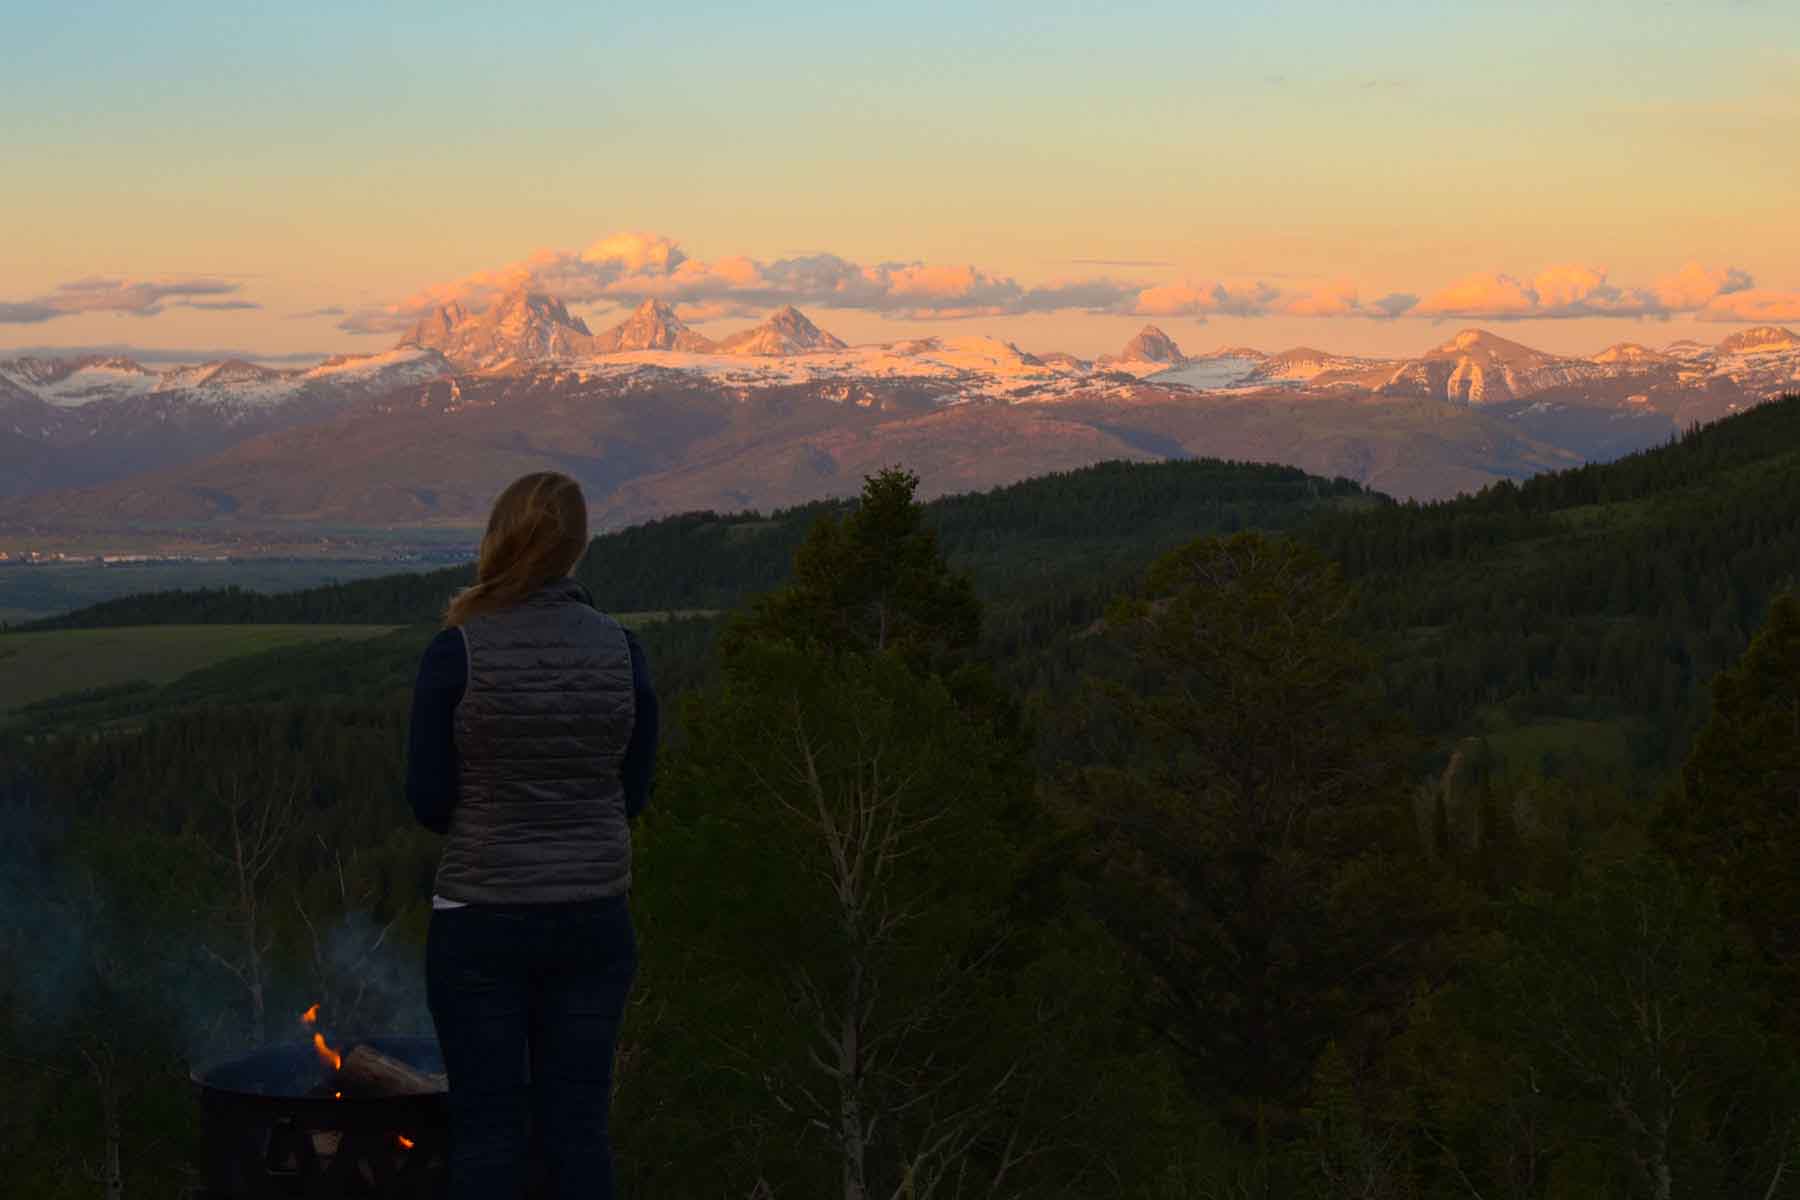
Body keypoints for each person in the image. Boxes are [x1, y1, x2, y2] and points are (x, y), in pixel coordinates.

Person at [406, 470, 657, 1200]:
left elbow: (428, 799)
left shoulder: (457, 653)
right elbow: (632, 791)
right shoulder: (623, 651)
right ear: (578, 547)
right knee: (577, 1130)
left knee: (487, 1131)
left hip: (481, 918)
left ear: (498, 539)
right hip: (593, 917)